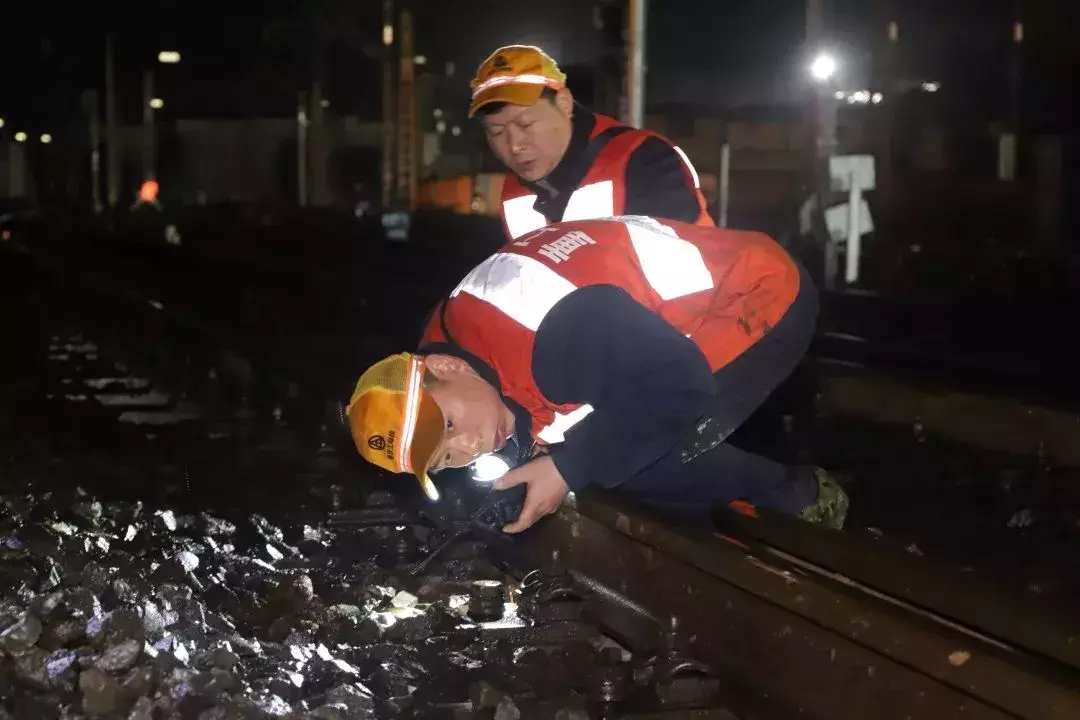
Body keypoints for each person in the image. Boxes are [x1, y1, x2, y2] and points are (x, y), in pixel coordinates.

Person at [345, 216, 848, 533]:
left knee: (640, 458)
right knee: (597, 449)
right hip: (642, 333)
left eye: (451, 428)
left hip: (753, 298)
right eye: (446, 458)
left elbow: (676, 383)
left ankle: (801, 497)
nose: (472, 446)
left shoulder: (556, 337)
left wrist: (566, 466)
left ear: (445, 367)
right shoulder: (446, 336)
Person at [469, 45, 714, 241]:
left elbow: (681, 277)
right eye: (497, 131)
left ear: (564, 103)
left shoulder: (644, 159)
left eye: (526, 125)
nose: (514, 145)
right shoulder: (514, 188)